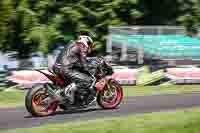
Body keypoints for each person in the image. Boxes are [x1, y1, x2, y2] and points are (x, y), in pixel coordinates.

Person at [52, 35, 95, 104]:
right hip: (65, 70)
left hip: (56, 67)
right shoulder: (81, 47)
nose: (89, 47)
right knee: (88, 80)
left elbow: (72, 59)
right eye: (89, 44)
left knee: (77, 77)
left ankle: (69, 98)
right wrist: (92, 68)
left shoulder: (70, 44)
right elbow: (84, 64)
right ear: (85, 42)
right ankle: (69, 92)